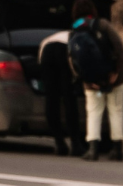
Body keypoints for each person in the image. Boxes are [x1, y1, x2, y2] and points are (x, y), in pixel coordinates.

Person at [68, 0, 123, 161]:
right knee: (116, 110)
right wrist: (116, 72)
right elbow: (120, 48)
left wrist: (85, 79)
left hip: (91, 82)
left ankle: (92, 150)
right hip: (115, 77)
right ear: (93, 10)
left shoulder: (74, 30)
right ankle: (117, 149)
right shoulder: (103, 25)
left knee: (93, 112)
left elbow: (72, 59)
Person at [37, 27, 86, 157]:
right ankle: (76, 144)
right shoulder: (81, 37)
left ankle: (59, 143)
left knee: (51, 99)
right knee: (69, 97)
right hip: (64, 51)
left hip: (46, 52)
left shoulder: (50, 38)